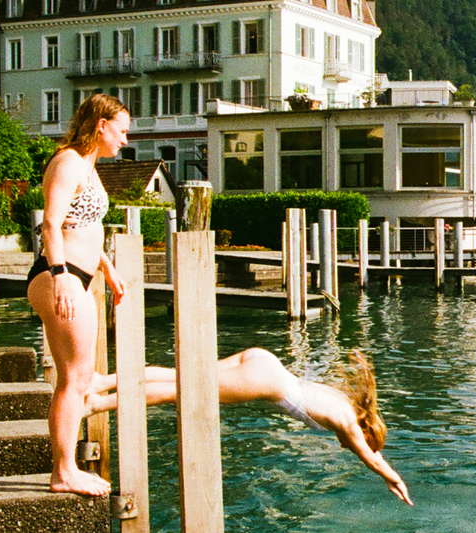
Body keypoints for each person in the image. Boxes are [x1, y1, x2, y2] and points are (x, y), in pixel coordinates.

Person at [83, 348, 414, 505]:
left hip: (265, 361)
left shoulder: (343, 401)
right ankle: (98, 403)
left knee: (179, 374)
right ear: (367, 434)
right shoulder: (348, 423)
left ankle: (102, 383)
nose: (349, 446)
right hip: (265, 379)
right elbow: (371, 459)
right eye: (363, 443)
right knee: (179, 391)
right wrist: (393, 479)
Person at [28, 93, 130, 496]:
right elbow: (51, 224)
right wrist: (62, 276)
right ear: (101, 125)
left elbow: (81, 226)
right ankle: (63, 471)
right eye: (121, 131)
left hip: (78, 275)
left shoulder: (89, 165)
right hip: (60, 275)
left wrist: (106, 267)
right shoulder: (69, 161)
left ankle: (67, 466)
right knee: (72, 378)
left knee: (81, 375)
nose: (124, 140)